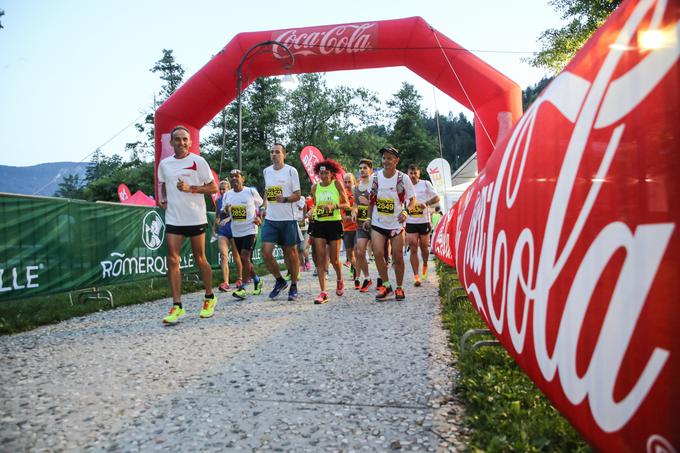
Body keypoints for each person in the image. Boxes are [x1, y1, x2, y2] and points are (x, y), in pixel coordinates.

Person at [157, 125, 218, 324]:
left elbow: (213, 187)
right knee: (173, 259)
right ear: (171, 142)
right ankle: (177, 306)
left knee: (200, 258)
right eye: (177, 139)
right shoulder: (165, 164)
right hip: (174, 217)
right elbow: (163, 185)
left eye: (185, 139)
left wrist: (190, 188)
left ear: (190, 142)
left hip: (195, 217)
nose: (181, 143)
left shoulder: (198, 161)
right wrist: (163, 199)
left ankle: (209, 297)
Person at [363, 147, 416, 301]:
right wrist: (368, 218)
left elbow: (412, 200)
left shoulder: (403, 178)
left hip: (396, 224)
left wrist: (406, 211)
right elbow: (371, 201)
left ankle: (399, 287)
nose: (386, 161)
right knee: (378, 254)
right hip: (378, 221)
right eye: (384, 158)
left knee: (397, 256)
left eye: (389, 158)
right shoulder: (375, 177)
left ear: (396, 160)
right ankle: (386, 285)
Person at [261, 143, 302, 301]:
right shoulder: (266, 171)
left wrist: (285, 199)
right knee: (266, 252)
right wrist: (263, 206)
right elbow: (267, 191)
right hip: (271, 218)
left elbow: (298, 195)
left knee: (291, 253)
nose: (274, 155)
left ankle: (293, 285)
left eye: (277, 152)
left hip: (288, 219)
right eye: (272, 152)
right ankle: (279, 280)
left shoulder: (291, 171)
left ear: (284, 154)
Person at [309, 159, 350, 304]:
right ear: (318, 174)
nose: (324, 176)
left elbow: (347, 204)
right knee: (320, 259)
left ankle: (339, 279)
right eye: (321, 173)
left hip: (334, 223)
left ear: (332, 173)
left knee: (334, 260)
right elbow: (314, 205)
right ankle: (323, 292)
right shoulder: (315, 187)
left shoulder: (336, 184)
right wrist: (311, 211)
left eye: (326, 173)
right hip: (319, 224)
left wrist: (334, 206)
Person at [222, 169, 264, 299]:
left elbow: (261, 206)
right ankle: (257, 280)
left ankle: (243, 287)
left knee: (245, 257)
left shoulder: (250, 192)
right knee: (244, 260)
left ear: (243, 179)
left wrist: (259, 217)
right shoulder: (227, 195)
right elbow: (223, 212)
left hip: (250, 229)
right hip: (236, 230)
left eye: (237, 176)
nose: (234, 178)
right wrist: (226, 210)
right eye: (232, 176)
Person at [405, 165, 440, 286]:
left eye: (415, 173)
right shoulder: (404, 186)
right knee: (413, 246)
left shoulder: (425, 184)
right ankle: (416, 276)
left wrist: (426, 203)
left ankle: (425, 264)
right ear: (407, 174)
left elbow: (436, 197)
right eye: (411, 173)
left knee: (424, 247)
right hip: (410, 221)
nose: (413, 175)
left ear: (419, 173)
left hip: (424, 221)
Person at [215, 180, 242, 292]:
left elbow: (239, 214)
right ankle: (226, 282)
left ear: (229, 189)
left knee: (236, 255)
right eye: (220, 189)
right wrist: (215, 227)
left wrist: (229, 218)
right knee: (223, 255)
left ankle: (240, 278)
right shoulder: (218, 201)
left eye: (224, 189)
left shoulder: (234, 198)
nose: (221, 191)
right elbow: (217, 215)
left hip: (234, 229)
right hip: (223, 231)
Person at [353, 158, 374, 292]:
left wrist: (367, 203)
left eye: (365, 167)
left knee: (378, 253)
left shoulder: (375, 184)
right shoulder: (356, 187)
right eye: (360, 168)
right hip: (361, 223)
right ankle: (367, 278)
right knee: (360, 252)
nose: (362, 170)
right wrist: (354, 211)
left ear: (370, 169)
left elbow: (379, 204)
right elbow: (355, 204)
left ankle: (382, 280)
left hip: (375, 223)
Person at [341, 172, 359, 288]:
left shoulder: (357, 192)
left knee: (357, 250)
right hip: (346, 228)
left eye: (349, 182)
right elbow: (339, 209)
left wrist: (354, 212)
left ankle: (357, 274)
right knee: (349, 253)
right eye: (345, 182)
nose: (347, 184)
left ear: (354, 182)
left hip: (357, 227)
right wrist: (344, 217)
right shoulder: (342, 194)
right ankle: (353, 266)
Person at [295, 196, 311, 272]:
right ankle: (301, 264)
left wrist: (304, 218)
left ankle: (307, 260)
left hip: (305, 227)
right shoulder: (289, 201)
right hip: (295, 227)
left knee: (302, 248)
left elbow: (304, 206)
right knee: (298, 249)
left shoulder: (301, 198)